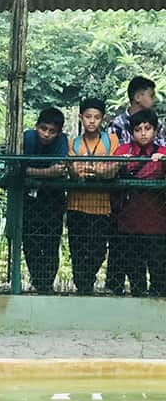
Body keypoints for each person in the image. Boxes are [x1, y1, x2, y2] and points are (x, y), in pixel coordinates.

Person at [65, 97, 119, 296]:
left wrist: (95, 171)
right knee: (77, 248)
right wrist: (98, 170)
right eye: (88, 117)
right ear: (81, 118)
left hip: (101, 206)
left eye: (96, 117)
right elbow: (73, 169)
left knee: (98, 250)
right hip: (76, 205)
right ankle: (83, 286)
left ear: (102, 119)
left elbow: (113, 168)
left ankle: (87, 281)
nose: (91, 121)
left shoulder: (111, 140)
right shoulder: (74, 143)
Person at [112, 109, 166, 297]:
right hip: (128, 223)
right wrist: (117, 164)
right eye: (138, 129)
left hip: (157, 225)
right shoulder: (123, 151)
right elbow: (107, 173)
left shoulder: (163, 153)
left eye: (147, 128)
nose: (143, 133)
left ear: (155, 130)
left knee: (159, 273)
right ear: (131, 131)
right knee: (135, 275)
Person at [21, 107, 69, 294]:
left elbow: (61, 168)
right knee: (30, 241)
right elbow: (19, 167)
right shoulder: (28, 138)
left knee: (51, 242)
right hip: (29, 199)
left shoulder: (62, 141)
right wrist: (47, 172)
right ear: (36, 126)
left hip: (52, 199)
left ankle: (46, 283)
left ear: (58, 133)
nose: (47, 134)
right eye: (44, 129)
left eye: (52, 131)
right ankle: (37, 279)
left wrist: (33, 172)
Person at [107, 76, 166, 147]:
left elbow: (163, 149)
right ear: (137, 97)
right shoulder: (117, 125)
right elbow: (114, 154)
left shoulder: (157, 123)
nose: (155, 99)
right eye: (151, 96)